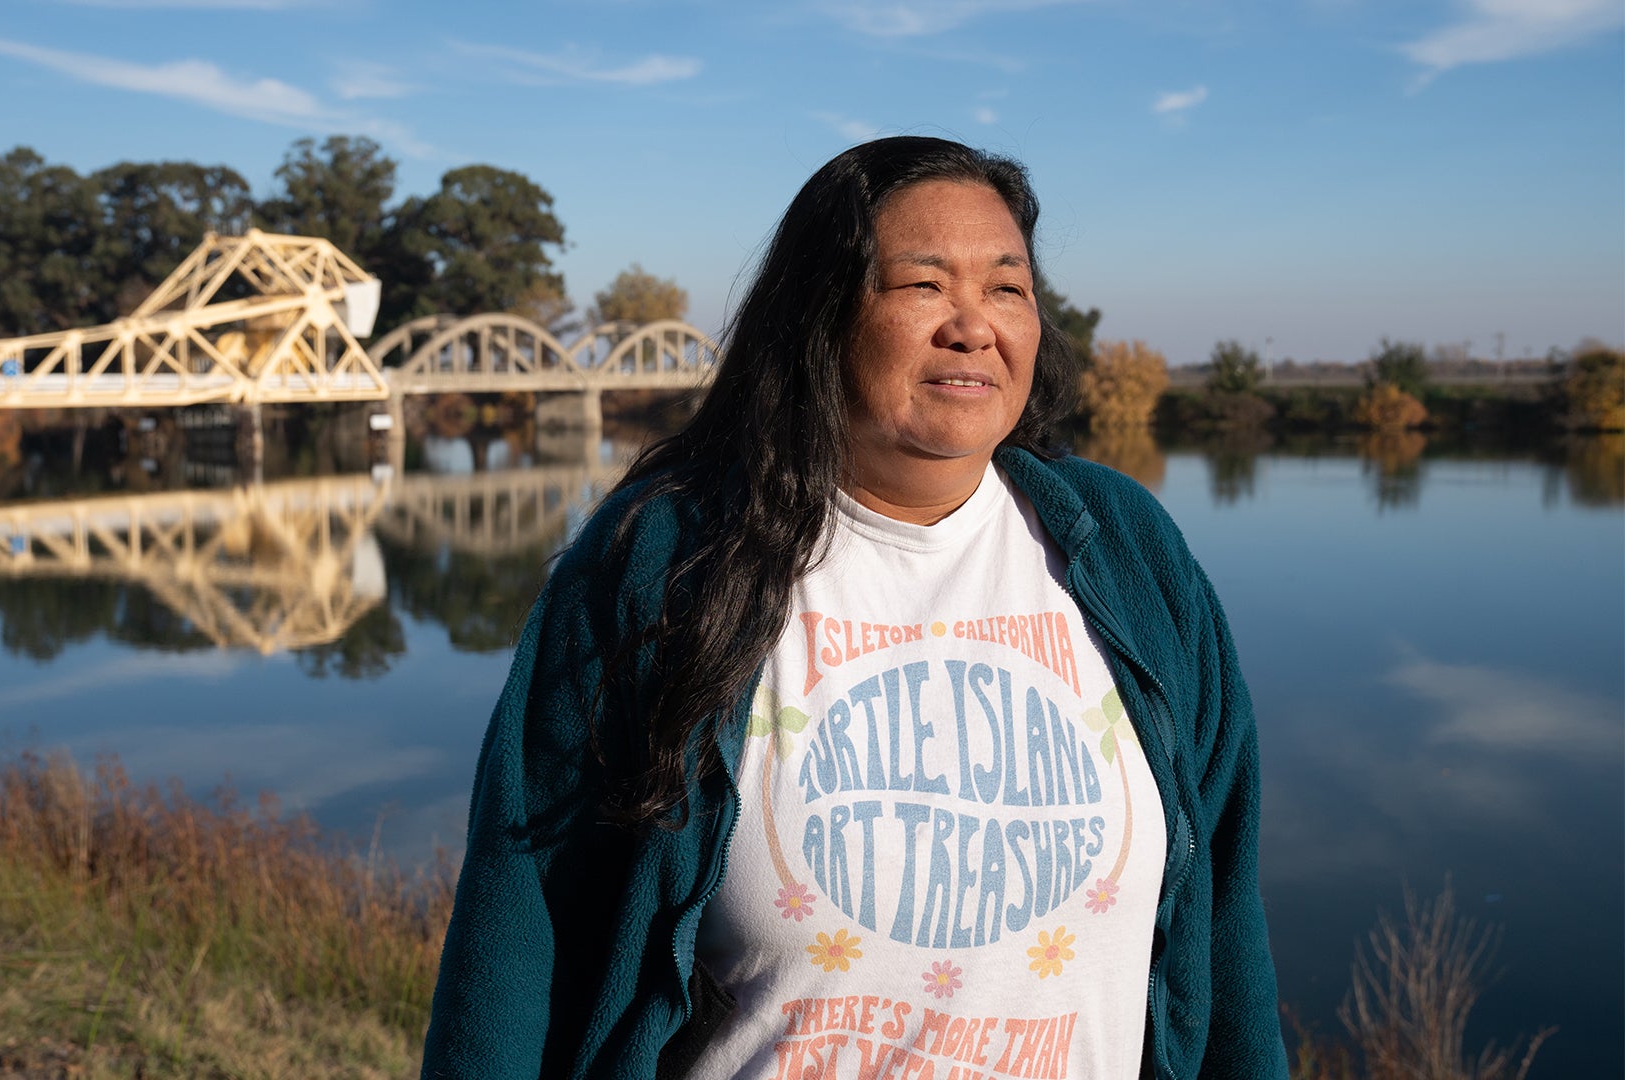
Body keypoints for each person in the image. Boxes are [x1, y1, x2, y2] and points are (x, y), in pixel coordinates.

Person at [421, 136, 1284, 1079]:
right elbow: (520, 920)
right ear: (820, 316)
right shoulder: (664, 563)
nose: (972, 325)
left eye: (1008, 288)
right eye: (922, 286)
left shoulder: (1127, 550)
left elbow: (1225, 920)